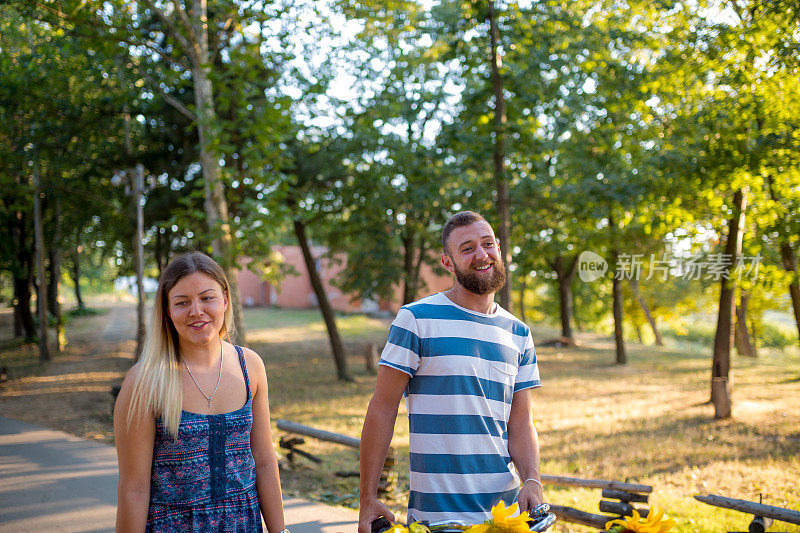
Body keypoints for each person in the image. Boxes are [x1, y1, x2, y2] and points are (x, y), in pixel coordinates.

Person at [358, 211, 544, 530]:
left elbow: (521, 422)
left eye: (488, 244)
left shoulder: (519, 333)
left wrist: (533, 480)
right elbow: (382, 409)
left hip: (506, 517)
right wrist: (367, 497)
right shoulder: (416, 320)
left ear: (499, 249)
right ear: (448, 263)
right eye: (467, 248)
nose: (482, 254)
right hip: (437, 517)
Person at [114, 252, 286, 533]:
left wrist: (280, 531)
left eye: (207, 298)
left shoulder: (250, 367)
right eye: (182, 302)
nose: (196, 311)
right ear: (168, 311)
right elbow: (134, 489)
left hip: (244, 525)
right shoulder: (145, 381)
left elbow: (265, 463)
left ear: (226, 299)